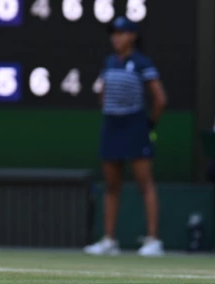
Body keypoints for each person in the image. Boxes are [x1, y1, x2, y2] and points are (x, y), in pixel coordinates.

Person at [85, 17, 168, 258]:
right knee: (111, 185)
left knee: (145, 183)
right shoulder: (109, 62)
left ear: (132, 36)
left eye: (121, 33)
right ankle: (109, 240)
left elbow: (160, 99)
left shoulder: (143, 63)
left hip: (135, 126)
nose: (116, 38)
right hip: (111, 125)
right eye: (114, 34)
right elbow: (102, 92)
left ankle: (153, 240)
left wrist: (148, 124)